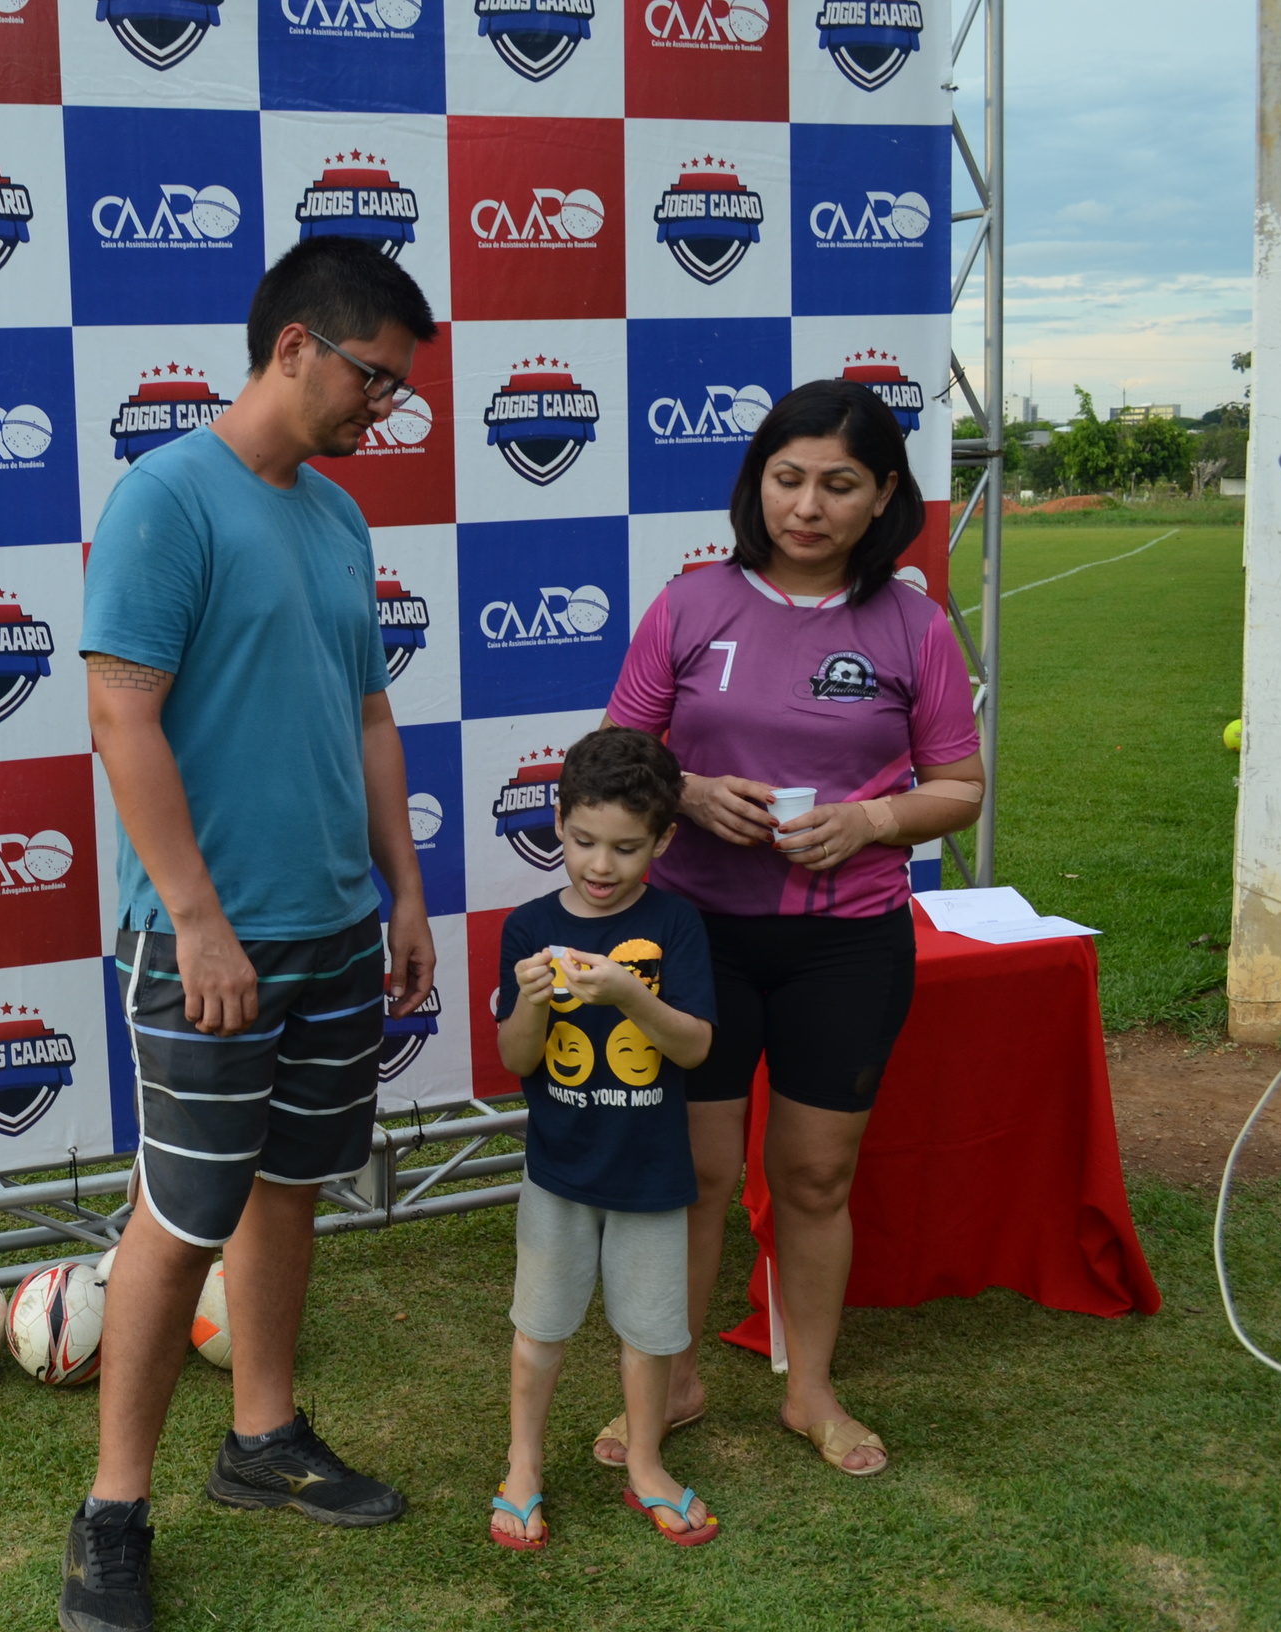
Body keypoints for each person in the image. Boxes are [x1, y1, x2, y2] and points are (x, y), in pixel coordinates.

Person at [61, 237, 438, 1632]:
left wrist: (403, 892)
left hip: (337, 927)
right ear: (293, 347)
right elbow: (121, 717)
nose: (384, 407)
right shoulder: (166, 497)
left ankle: (262, 1440)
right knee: (178, 1220)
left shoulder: (336, 514)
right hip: (210, 946)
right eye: (374, 378)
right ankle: (112, 1513)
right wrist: (200, 922)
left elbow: (369, 715)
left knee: (290, 1190)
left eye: (397, 388)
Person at [595, 378, 985, 1479]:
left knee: (815, 1177)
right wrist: (685, 791)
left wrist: (871, 821)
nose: (807, 506)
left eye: (839, 485)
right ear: (755, 482)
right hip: (698, 939)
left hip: (846, 943)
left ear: (884, 498)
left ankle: (808, 1389)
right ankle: (670, 1380)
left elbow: (960, 788)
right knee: (695, 1173)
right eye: (788, 478)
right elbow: (616, 761)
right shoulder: (689, 605)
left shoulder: (913, 623)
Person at [492, 727, 720, 1551]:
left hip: (652, 1175)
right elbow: (516, 1058)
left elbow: (694, 1047)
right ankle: (522, 1464)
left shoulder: (676, 923)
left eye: (626, 848)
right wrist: (530, 1002)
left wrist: (630, 993)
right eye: (585, 840)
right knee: (539, 1329)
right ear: (558, 822)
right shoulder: (527, 928)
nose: (600, 864)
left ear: (663, 840)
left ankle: (647, 1464)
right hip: (557, 1172)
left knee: (652, 1334)